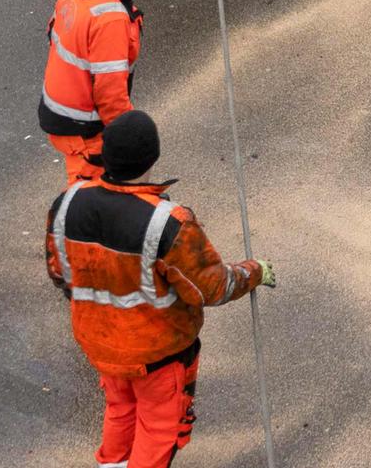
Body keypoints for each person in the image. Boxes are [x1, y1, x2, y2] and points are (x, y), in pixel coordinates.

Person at [44, 110, 273, 468]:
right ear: (153, 157)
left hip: (99, 343)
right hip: (157, 356)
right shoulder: (168, 223)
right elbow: (211, 288)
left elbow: (59, 272)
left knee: (121, 409)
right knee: (159, 429)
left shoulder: (67, 203)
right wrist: (254, 272)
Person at [39, 0, 157, 181]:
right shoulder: (111, 19)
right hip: (84, 126)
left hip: (61, 108)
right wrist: (128, 141)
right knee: (90, 190)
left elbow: (53, 30)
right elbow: (110, 92)